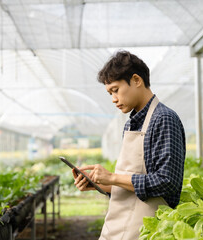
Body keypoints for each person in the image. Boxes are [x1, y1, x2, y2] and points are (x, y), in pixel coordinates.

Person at [72, 50, 186, 240]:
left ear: (136, 80)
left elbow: (167, 182)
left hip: (145, 231)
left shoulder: (164, 119)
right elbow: (135, 185)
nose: (113, 99)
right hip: (119, 226)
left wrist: (113, 177)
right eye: (110, 93)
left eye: (115, 90)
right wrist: (102, 185)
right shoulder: (131, 123)